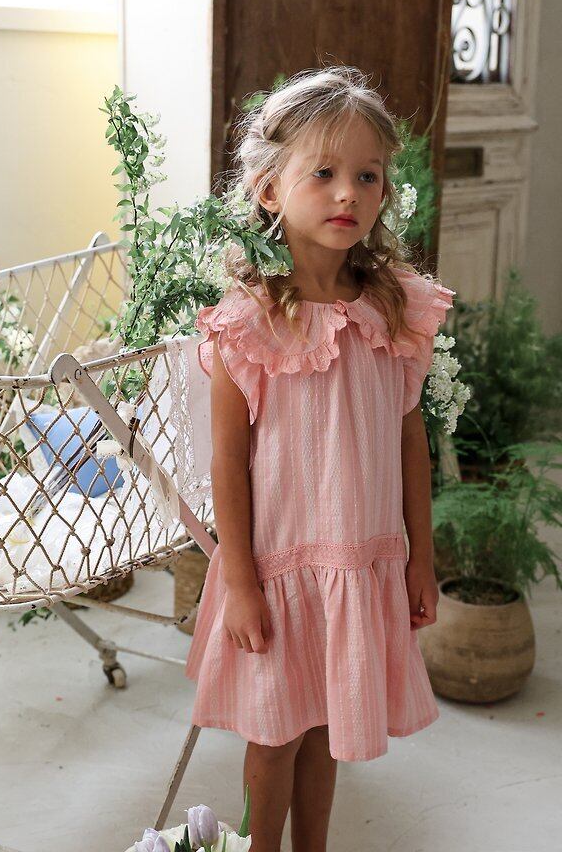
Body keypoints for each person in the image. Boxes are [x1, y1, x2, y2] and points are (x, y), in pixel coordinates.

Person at [184, 65, 456, 852]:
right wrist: (239, 583)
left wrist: (420, 558)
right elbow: (228, 466)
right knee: (275, 735)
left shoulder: (393, 310)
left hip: (360, 562)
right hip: (278, 570)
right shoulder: (248, 324)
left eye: (367, 176)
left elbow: (409, 440)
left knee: (331, 724)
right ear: (270, 189)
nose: (348, 194)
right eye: (325, 173)